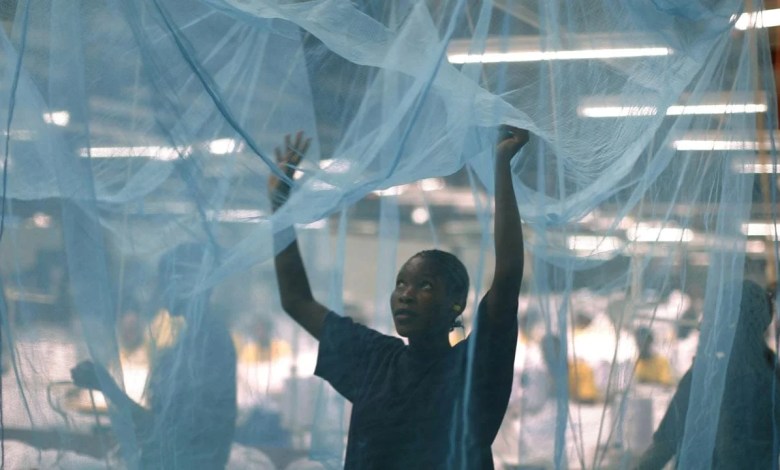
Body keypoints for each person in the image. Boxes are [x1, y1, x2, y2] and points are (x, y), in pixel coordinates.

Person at [269, 127, 528, 469]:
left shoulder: (474, 367)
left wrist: (501, 166)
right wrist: (280, 210)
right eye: (401, 283)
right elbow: (297, 301)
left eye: (425, 286)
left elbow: (508, 274)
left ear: (456, 304)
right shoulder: (374, 360)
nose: (406, 295)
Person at [70, 242, 237, 468]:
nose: (159, 292)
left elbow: (170, 433)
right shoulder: (195, 337)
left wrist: (107, 386)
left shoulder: (208, 343)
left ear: (186, 284)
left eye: (164, 282)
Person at [634, 280, 780, 469]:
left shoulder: (705, 378)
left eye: (712, 317)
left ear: (733, 324)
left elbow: (663, 445)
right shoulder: (772, 375)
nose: (701, 326)